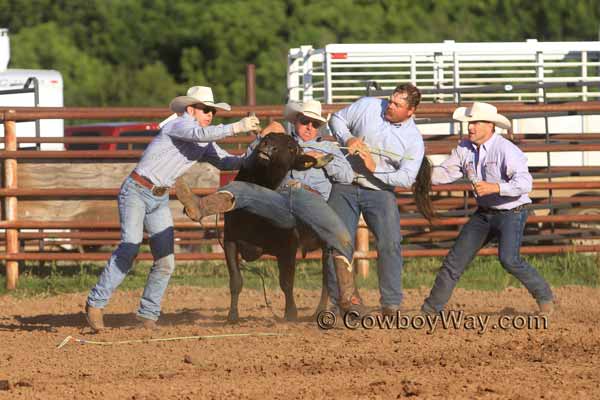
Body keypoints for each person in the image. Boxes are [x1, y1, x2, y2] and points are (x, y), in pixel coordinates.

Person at [85, 86, 260, 332]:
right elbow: (199, 134)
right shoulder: (179, 125)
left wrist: (255, 155)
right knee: (130, 246)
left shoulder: (202, 137)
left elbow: (225, 161)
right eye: (206, 109)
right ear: (190, 109)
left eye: (213, 111)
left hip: (158, 196)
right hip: (137, 190)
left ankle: (147, 315)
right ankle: (95, 304)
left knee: (165, 261)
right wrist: (237, 127)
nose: (210, 114)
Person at [176, 100, 362, 313]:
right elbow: (248, 160)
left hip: (312, 202)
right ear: (295, 122)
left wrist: (325, 160)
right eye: (304, 121)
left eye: (314, 123)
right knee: (241, 187)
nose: (309, 126)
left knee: (342, 239)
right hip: (281, 199)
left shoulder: (329, 148)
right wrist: (264, 137)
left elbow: (347, 176)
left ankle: (347, 298)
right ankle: (201, 207)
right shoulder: (280, 142)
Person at [420, 102, 555, 316]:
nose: (470, 127)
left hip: (512, 211)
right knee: (454, 261)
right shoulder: (464, 148)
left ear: (490, 126)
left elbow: (525, 184)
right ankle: (429, 310)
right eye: (469, 123)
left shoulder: (506, 150)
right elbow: (446, 173)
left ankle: (544, 295)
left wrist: (495, 187)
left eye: (475, 123)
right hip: (484, 213)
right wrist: (420, 173)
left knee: (509, 259)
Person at [325, 83, 425, 316]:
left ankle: (391, 303)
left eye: (397, 105)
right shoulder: (368, 106)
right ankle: (337, 300)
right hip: (345, 183)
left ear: (410, 111)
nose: (389, 106)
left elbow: (407, 177)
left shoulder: (413, 140)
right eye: (390, 100)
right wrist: (348, 138)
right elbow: (337, 118)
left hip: (379, 191)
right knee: (337, 243)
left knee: (390, 244)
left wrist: (374, 169)